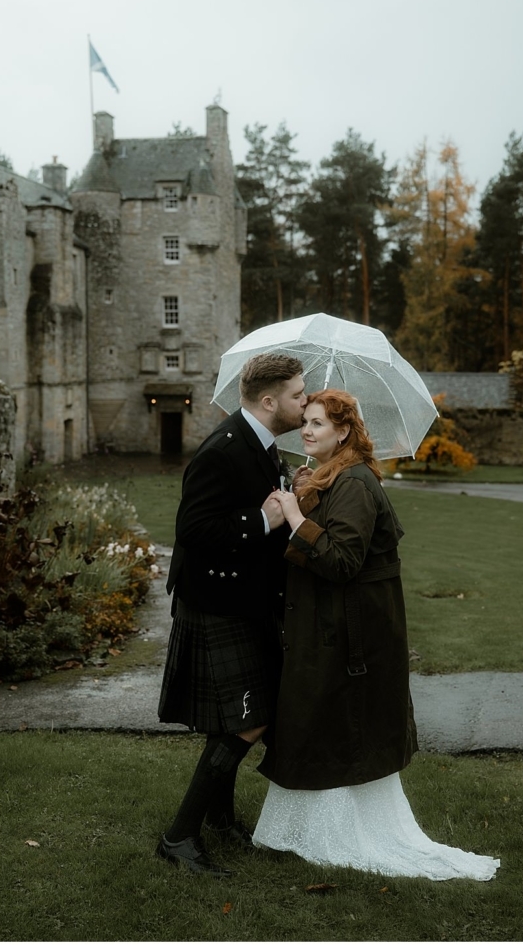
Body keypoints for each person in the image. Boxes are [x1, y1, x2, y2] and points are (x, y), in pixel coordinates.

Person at [253, 389, 500, 880]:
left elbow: (343, 560)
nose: (306, 430)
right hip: (330, 627)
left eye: (318, 423)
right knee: (318, 721)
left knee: (338, 723)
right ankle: (300, 830)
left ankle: (340, 834)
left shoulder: (357, 483)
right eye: (305, 421)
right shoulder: (333, 477)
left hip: (351, 634)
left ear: (344, 431)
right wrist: (306, 493)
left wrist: (299, 517)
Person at [157, 352, 308, 878]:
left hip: (247, 599)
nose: (305, 401)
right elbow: (192, 533)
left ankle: (219, 819)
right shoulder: (222, 449)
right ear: (269, 402)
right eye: (297, 394)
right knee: (251, 718)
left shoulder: (264, 445)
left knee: (235, 718)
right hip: (217, 602)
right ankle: (179, 836)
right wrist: (260, 521)